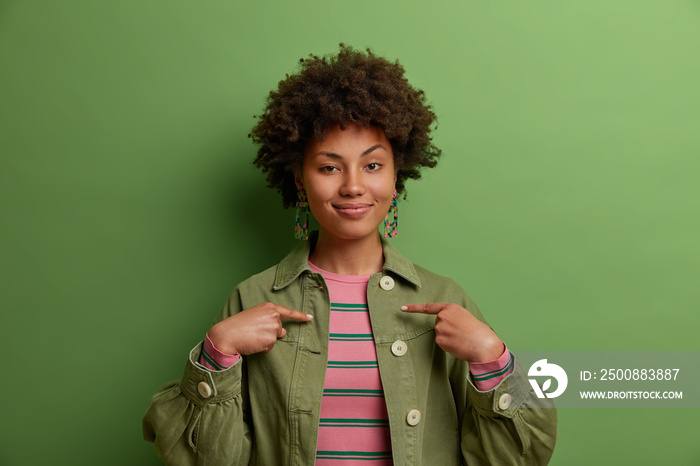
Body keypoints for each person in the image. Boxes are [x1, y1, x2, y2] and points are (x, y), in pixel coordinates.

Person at [143, 44, 557, 465]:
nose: (353, 186)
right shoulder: (251, 299)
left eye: (373, 165)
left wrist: (494, 361)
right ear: (299, 180)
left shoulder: (444, 300)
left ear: (397, 176)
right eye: (329, 167)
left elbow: (519, 458)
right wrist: (217, 352)